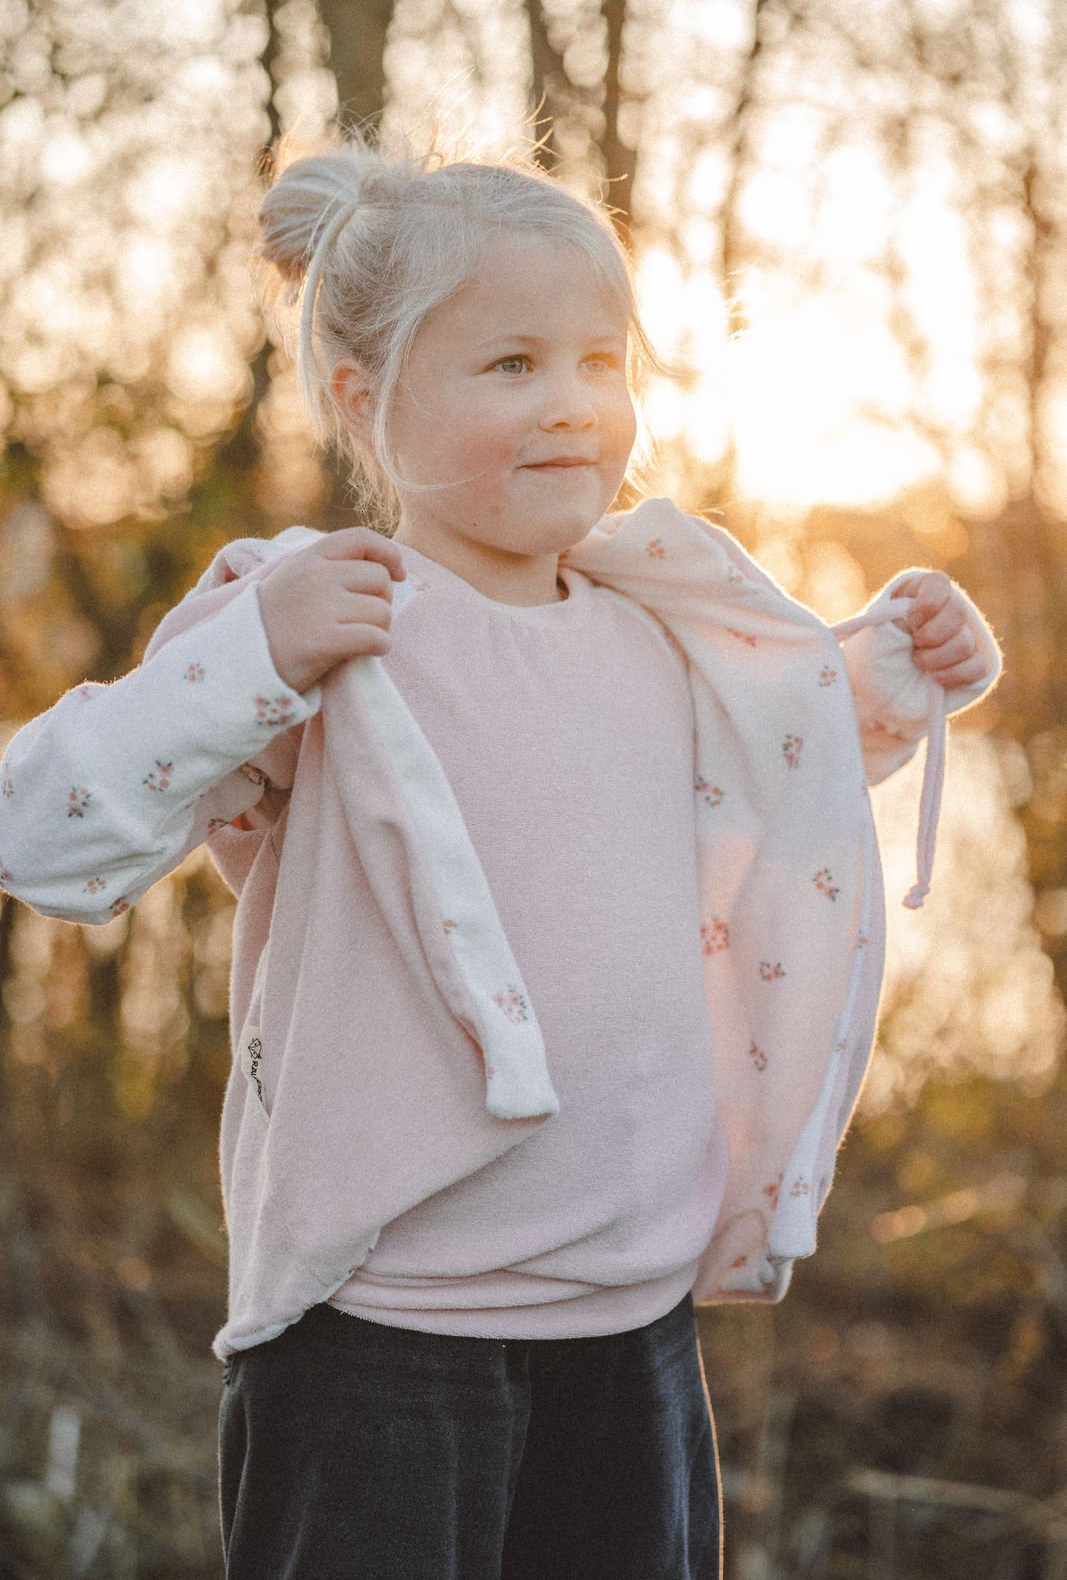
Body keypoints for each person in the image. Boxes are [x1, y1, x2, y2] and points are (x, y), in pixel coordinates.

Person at [0, 127, 1001, 1579]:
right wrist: (248, 666)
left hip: (633, 1332)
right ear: (365, 395)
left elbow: (782, 781)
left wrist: (899, 678)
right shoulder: (321, 618)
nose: (573, 408)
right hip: (386, 1344)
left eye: (604, 363)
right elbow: (46, 828)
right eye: (512, 364)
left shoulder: (658, 627)